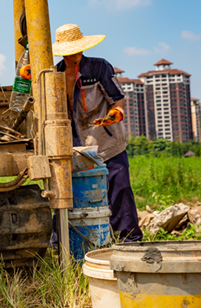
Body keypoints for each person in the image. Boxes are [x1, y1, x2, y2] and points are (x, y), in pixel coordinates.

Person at [52, 23, 143, 242]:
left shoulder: (99, 67)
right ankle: (64, 242)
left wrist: (115, 113)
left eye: (76, 49)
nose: (73, 54)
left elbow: (117, 98)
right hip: (74, 144)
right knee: (67, 192)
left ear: (82, 48)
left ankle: (129, 240)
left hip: (106, 139)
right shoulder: (55, 73)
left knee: (119, 187)